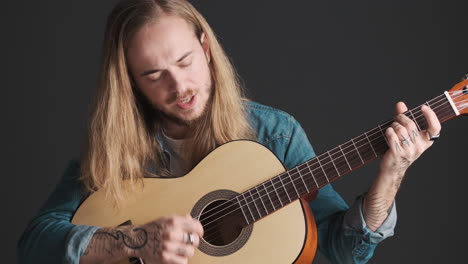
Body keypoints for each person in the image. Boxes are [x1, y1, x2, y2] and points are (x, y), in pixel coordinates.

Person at [17, 0, 442, 263]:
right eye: (153, 74)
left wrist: (392, 174)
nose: (178, 86)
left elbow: (340, 249)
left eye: (184, 62)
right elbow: (35, 244)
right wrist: (136, 241)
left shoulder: (274, 135)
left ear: (205, 47)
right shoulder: (116, 150)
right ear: (129, 81)